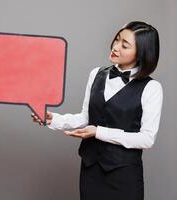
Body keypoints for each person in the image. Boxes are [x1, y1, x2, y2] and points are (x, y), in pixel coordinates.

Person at [31, 21, 163, 200]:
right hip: (90, 169)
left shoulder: (151, 88)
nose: (116, 47)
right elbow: (86, 117)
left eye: (125, 45)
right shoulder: (96, 74)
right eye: (117, 39)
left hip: (124, 176)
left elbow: (147, 139)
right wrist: (52, 119)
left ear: (141, 54)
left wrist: (99, 132)